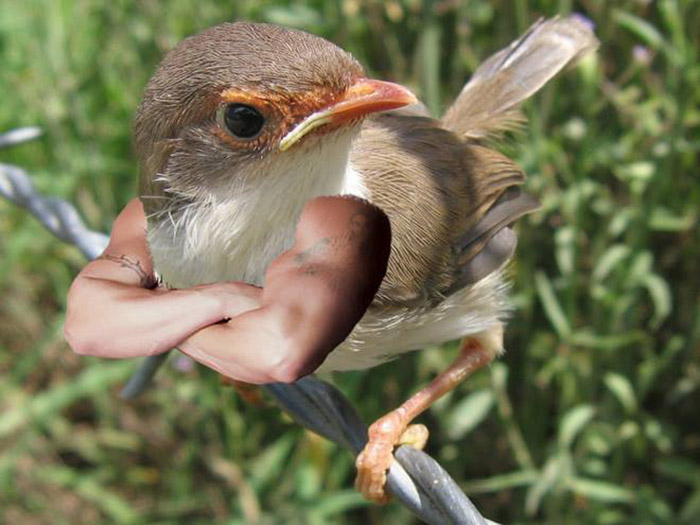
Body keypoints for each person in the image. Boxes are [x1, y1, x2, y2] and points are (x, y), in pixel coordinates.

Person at [64, 196, 391, 384]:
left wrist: (152, 309)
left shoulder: (336, 210)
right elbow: (84, 326)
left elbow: (278, 354)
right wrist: (221, 297)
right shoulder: (164, 206)